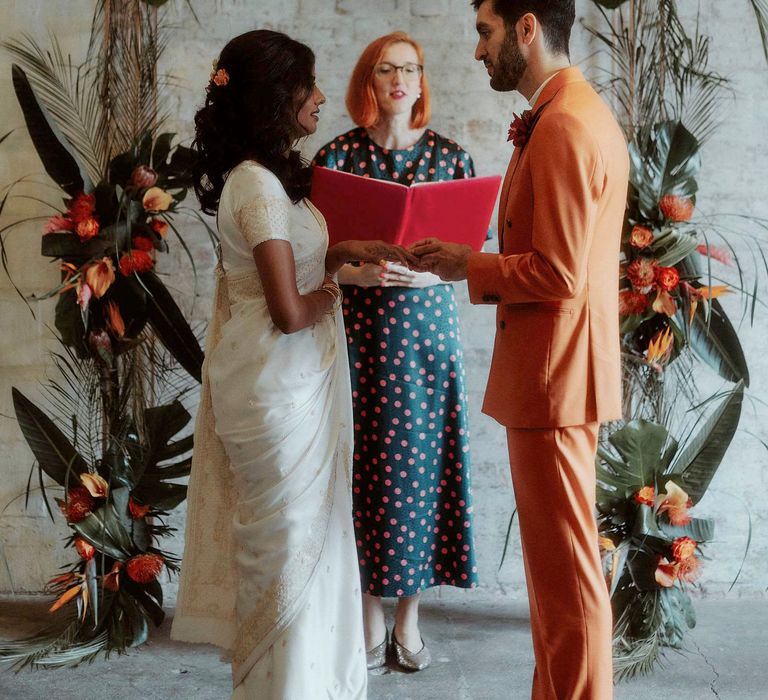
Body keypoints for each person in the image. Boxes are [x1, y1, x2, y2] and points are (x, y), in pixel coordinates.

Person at [170, 30, 411, 699]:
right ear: (278, 96)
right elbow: (288, 311)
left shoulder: (269, 180)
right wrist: (339, 287)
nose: (322, 97)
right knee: (288, 550)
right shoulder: (257, 188)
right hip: (277, 390)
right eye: (308, 85)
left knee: (312, 544)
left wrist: (337, 254)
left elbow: (286, 273)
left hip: (283, 379)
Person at [410, 2, 629, 698]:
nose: (478, 51)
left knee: (567, 583)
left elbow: (560, 274)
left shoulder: (563, 124)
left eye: (485, 31)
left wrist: (464, 265)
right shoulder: (571, 110)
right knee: (558, 578)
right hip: (556, 375)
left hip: (554, 379)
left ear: (527, 28)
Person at [313, 31, 480, 673]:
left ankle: (408, 618)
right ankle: (369, 617)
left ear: (421, 80)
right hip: (361, 336)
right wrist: (355, 275)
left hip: (428, 339)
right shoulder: (336, 158)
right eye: (387, 68)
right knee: (362, 474)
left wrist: (431, 275)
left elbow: (469, 257)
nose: (400, 78)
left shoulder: (451, 158)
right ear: (369, 81)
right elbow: (316, 258)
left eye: (410, 68)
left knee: (421, 476)